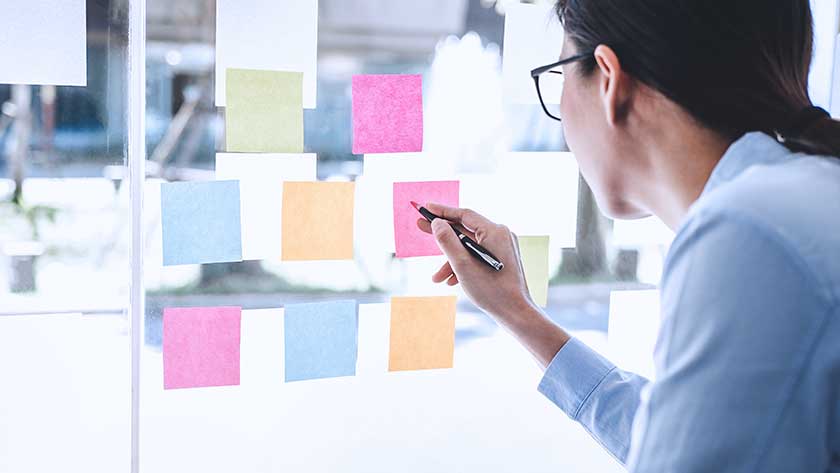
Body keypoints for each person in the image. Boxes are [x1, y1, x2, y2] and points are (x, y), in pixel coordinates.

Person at [417, 0, 840, 471]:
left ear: (609, 79)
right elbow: (685, 433)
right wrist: (517, 310)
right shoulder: (801, 196)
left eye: (556, 77)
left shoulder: (750, 235)